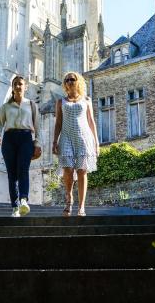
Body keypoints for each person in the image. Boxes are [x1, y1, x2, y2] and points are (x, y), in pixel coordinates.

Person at [52, 71, 100, 217]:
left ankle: (81, 207)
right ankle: (69, 198)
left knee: (81, 171)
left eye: (72, 79)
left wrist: (96, 142)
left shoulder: (86, 100)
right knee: (67, 169)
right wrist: (54, 141)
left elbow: (91, 122)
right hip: (66, 136)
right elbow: (58, 122)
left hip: (83, 137)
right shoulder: (61, 101)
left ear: (78, 81)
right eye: (66, 80)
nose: (69, 82)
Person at [0, 75, 41, 217]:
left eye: (20, 84)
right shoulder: (5, 107)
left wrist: (38, 144)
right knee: (11, 174)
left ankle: (23, 200)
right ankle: (15, 207)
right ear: (12, 87)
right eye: (15, 84)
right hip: (9, 139)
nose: (18, 86)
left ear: (25, 87)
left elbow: (38, 126)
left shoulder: (32, 105)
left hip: (26, 138)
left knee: (23, 170)